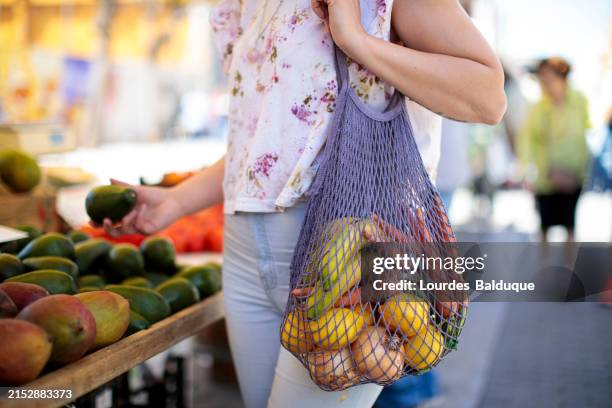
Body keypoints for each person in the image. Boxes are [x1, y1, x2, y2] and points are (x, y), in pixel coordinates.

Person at [101, 1, 505, 407]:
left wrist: (355, 40)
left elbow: (487, 97)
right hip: (243, 254)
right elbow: (268, 140)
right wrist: (176, 202)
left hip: (348, 254)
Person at [518, 57, 591, 243]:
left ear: (562, 77)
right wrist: (528, 171)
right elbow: (526, 140)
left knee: (570, 225)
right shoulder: (537, 107)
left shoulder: (580, 101)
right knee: (544, 226)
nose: (545, 84)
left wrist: (579, 172)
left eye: (548, 78)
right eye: (541, 78)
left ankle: (568, 269)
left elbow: (588, 135)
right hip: (545, 178)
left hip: (572, 176)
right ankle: (546, 268)